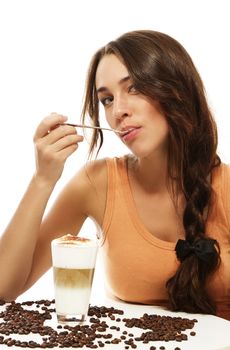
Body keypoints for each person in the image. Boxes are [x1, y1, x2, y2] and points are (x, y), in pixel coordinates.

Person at [0, 30, 229, 320]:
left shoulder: (227, 187)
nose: (118, 111)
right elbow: (4, 288)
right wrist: (42, 179)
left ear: (178, 90)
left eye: (133, 88)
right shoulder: (98, 183)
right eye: (106, 100)